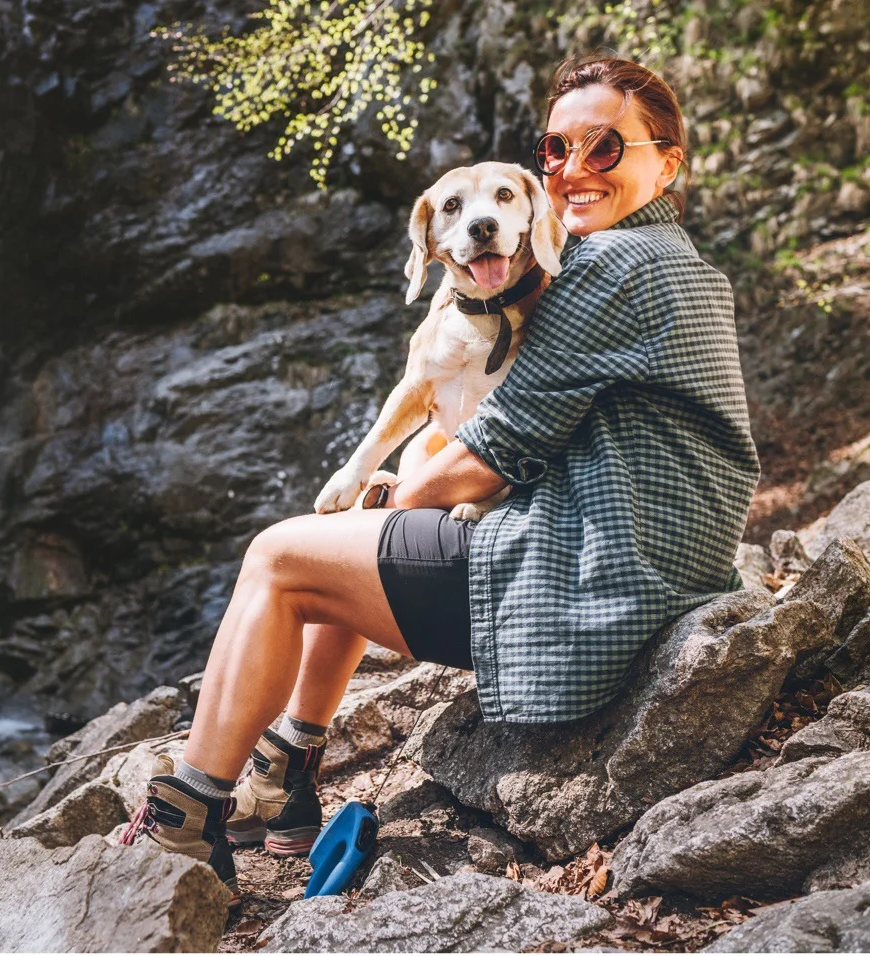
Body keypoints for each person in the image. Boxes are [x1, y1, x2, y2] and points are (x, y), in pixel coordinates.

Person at [116, 54, 761, 902]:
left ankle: (188, 815)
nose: (573, 168)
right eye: (556, 149)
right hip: (648, 563)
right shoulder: (669, 259)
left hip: (588, 585)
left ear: (666, 160)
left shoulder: (611, 270)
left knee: (281, 557)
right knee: (346, 545)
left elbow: (484, 454)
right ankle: (283, 772)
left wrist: (401, 491)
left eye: (605, 149)